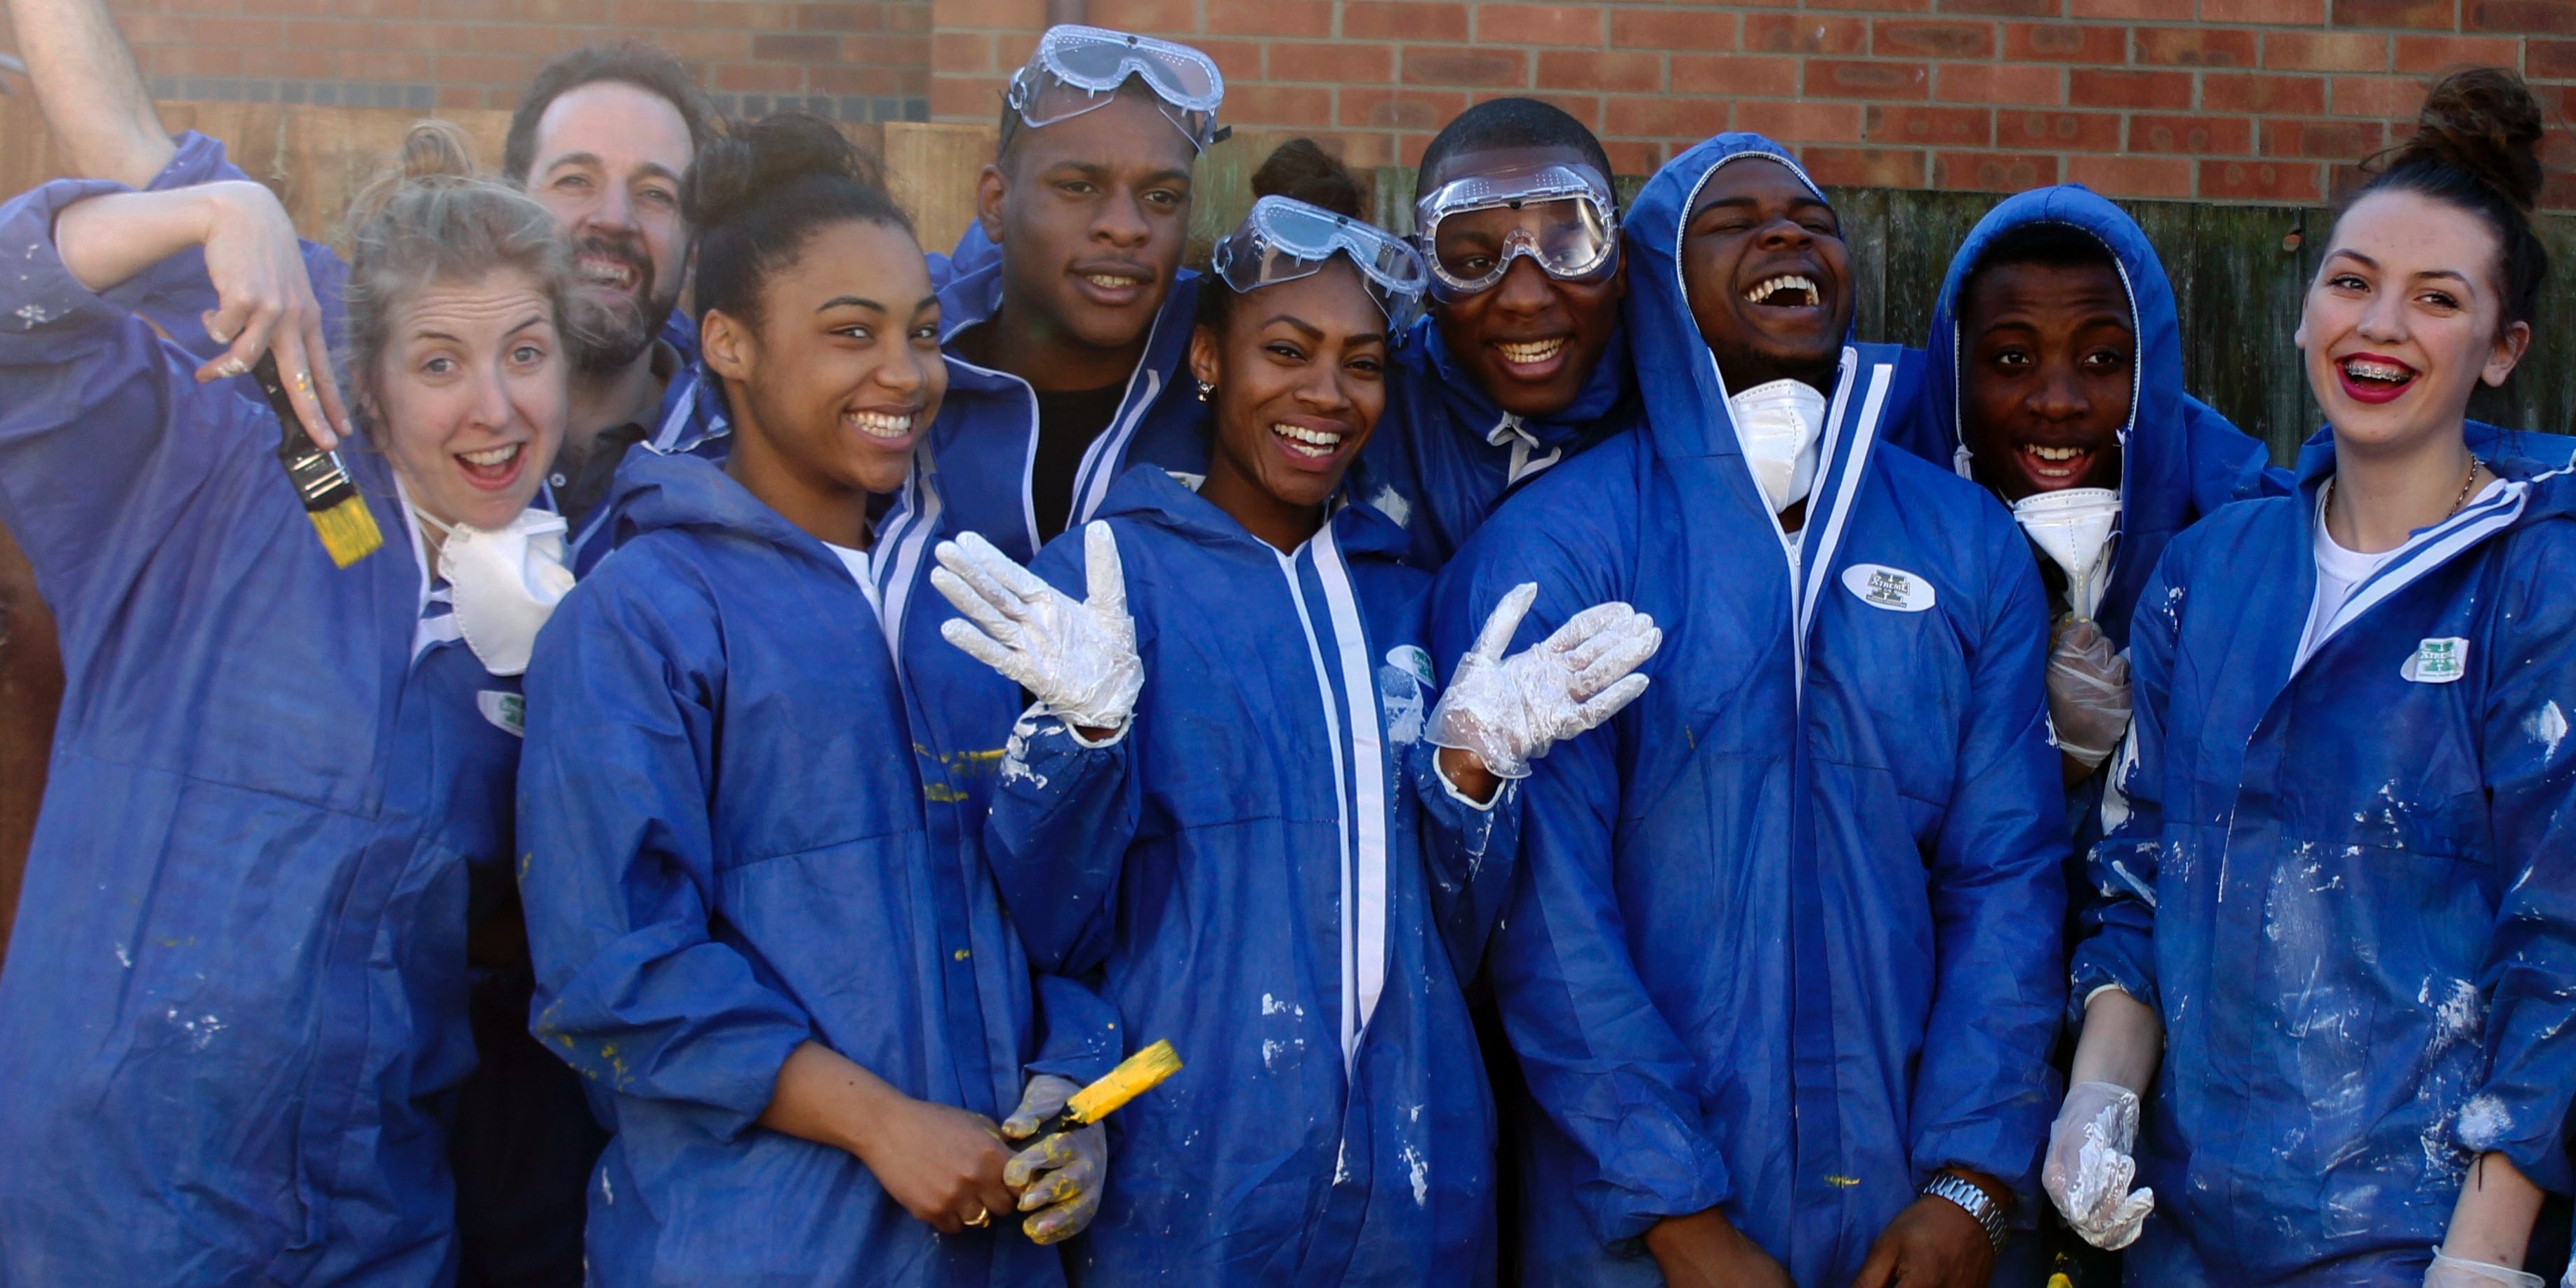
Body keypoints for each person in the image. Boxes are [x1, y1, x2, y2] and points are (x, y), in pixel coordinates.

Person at [932, 176, 1661, 1284]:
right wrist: (1082, 739)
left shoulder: (1408, 602)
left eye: (1362, 363)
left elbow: (1454, 944)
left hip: (1421, 1191)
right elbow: (1042, 921)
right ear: (1209, 360)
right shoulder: (1101, 587)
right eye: (1286, 349)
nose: (1327, 393)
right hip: (1187, 1186)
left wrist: (1467, 776)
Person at [1432, 132, 2068, 1287]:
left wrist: (1971, 1182)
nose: (1788, 234)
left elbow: (2009, 880)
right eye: (1735, 221)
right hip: (1638, 1241)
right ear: (1658, 284)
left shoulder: (1966, 541)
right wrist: (1680, 1215)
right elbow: (1548, 926)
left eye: (1812, 218)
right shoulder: (1551, 551)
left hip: (1917, 1231)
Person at [513, 113, 1106, 1284]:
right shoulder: (641, 613)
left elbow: (1058, 920)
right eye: (852, 334)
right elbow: (612, 969)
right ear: (729, 344)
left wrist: (1070, 1094)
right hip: (752, 1248)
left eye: (924, 333)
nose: (907, 373)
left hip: (989, 1255)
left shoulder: (969, 614)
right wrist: (880, 1123)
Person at [0, 121, 573, 1284]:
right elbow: (21, 318)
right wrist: (210, 214)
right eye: (438, 363)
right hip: (111, 1211)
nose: (494, 409)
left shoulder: (562, 636)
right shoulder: (198, 482)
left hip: (367, 1225)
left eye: (526, 352)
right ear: (364, 383)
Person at [2052, 68, 2576, 1287]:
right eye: (2351, 284)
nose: (2380, 326)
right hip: (2186, 1237)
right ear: (2302, 315)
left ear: (2502, 352)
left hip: (2421, 1243)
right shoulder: (2209, 571)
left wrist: (2486, 1257)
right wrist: (2098, 1105)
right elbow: (2136, 881)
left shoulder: (2540, 584)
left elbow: (2563, 945)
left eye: (2436, 300)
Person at [934, 24, 1225, 550]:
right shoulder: (910, 356)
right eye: (1079, 186)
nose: (1125, 225)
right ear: (997, 203)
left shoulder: (1232, 361)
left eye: (1161, 196)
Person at [1359, 97, 1640, 569]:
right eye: (1474, 263)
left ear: (1620, 263)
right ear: (1426, 279)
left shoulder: (1672, 414)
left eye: (1568, 252)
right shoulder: (1370, 409)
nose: (1525, 298)